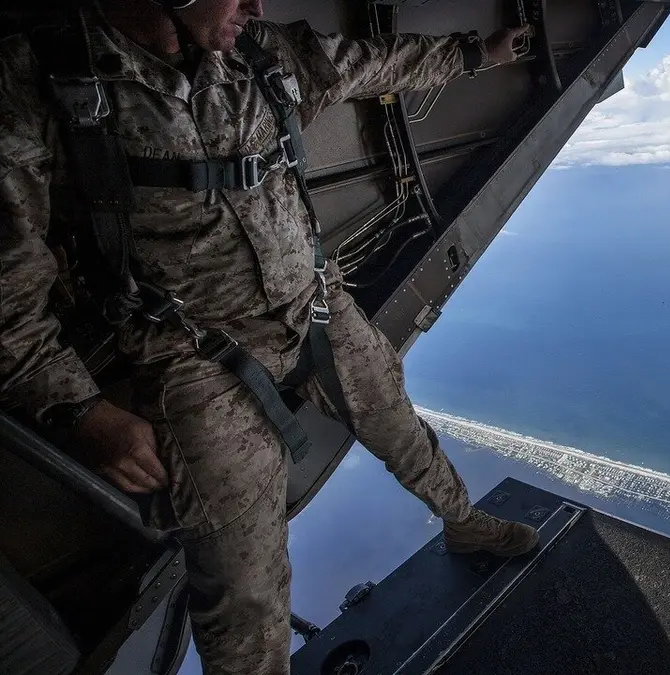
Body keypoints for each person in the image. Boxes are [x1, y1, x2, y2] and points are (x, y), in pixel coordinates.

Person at [0, 1, 535, 672]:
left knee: (399, 426)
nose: (256, 6)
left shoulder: (259, 53)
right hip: (190, 351)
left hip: (313, 304)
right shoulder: (39, 78)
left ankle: (464, 523)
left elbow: (373, 64)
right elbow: (8, 289)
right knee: (244, 583)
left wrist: (478, 54)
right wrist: (80, 411)